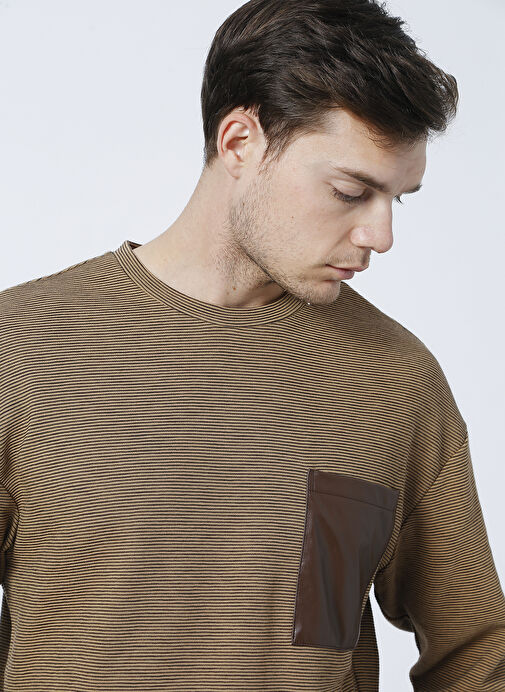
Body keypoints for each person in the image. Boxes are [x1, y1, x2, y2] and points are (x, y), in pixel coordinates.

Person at [1, 0, 504, 689]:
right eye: (349, 190)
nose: (381, 235)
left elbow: (477, 654)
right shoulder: (21, 346)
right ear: (239, 142)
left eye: (399, 197)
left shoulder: (394, 379)